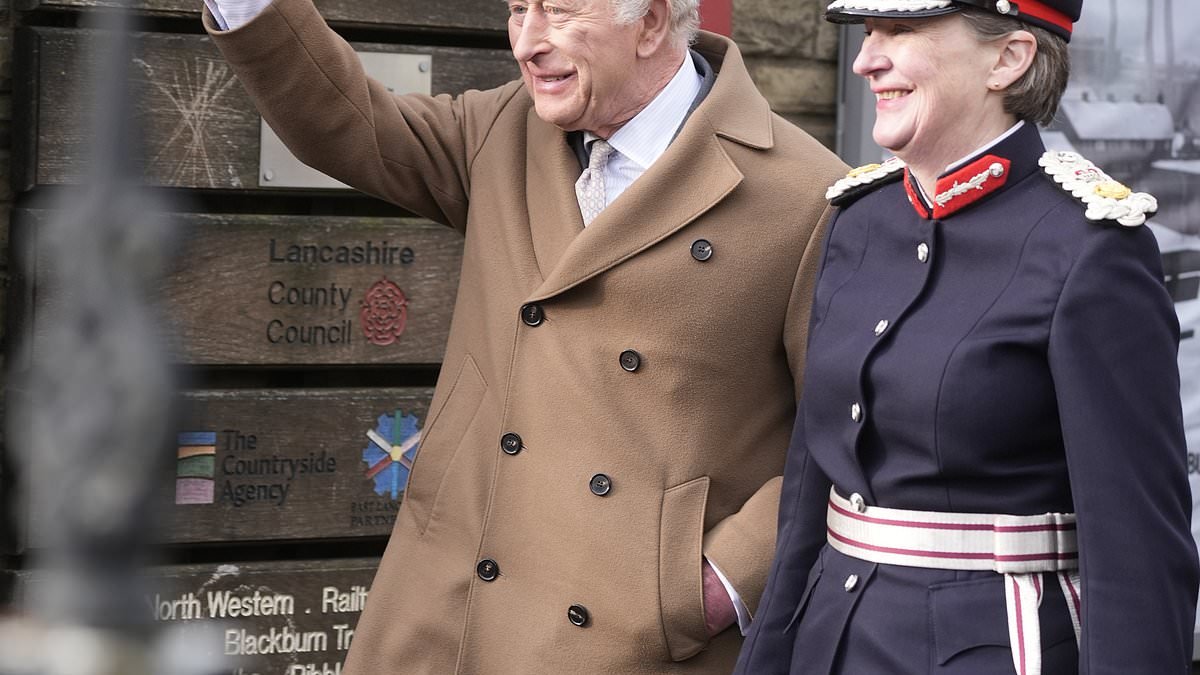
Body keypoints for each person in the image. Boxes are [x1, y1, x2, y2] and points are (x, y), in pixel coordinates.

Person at [202, 0, 847, 672]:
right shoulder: (503, 128)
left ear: (651, 22)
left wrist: (718, 582)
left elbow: (844, 439)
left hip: (636, 641)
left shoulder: (804, 195)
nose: (527, 42)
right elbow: (346, 123)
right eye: (517, 10)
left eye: (558, 13)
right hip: (453, 617)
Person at [734, 1, 1200, 673]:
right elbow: (811, 493)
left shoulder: (1089, 250)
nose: (867, 60)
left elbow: (1138, 555)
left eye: (900, 31)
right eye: (868, 35)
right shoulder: (857, 223)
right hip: (828, 644)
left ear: (1008, 59)